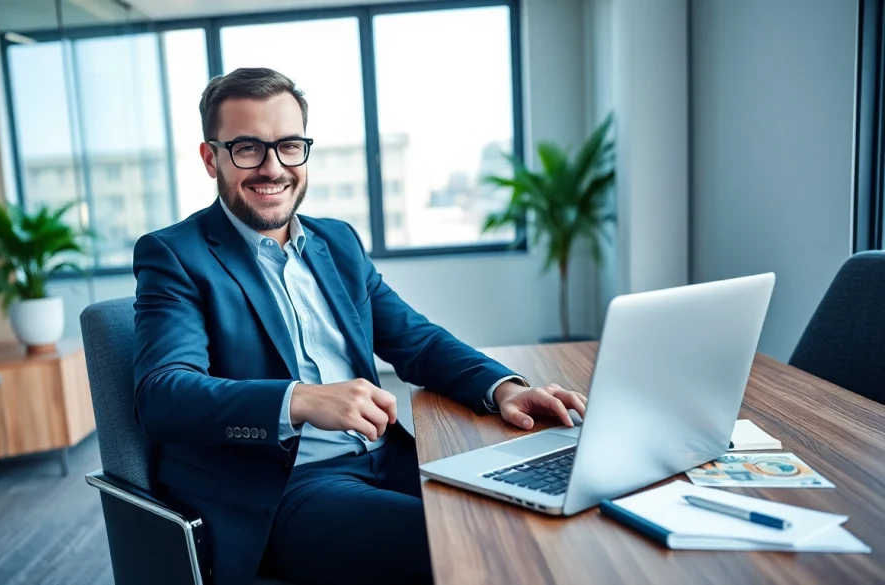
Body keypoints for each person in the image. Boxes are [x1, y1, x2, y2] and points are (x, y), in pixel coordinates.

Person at [131, 67, 588, 585]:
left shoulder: (337, 243)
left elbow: (415, 339)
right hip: (285, 487)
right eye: (247, 148)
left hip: (385, 457)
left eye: (288, 146)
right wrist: (300, 399)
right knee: (472, 546)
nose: (272, 167)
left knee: (529, 514)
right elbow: (163, 395)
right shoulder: (175, 254)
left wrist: (503, 386)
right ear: (210, 158)